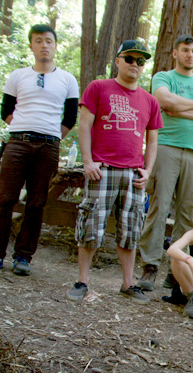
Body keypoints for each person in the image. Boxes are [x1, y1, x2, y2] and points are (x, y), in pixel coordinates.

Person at [65, 40, 162, 304]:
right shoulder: (98, 88)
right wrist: (87, 161)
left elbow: (152, 140)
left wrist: (148, 170)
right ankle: (83, 280)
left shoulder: (150, 101)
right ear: (117, 60)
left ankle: (128, 283)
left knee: (130, 229)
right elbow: (84, 125)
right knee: (91, 225)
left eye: (141, 62)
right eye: (130, 59)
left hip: (133, 173)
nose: (135, 65)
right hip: (102, 169)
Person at [0, 24, 79, 275]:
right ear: (31, 45)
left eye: (48, 41)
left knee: (37, 202)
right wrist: (25, 130)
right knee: (5, 199)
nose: (44, 45)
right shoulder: (17, 76)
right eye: (38, 41)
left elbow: (70, 118)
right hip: (17, 144)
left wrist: (50, 135)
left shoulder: (67, 79)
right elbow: (6, 112)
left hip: (48, 147)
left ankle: (23, 257)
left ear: (55, 46)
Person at [137, 35, 193, 291]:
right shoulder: (164, 77)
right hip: (166, 148)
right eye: (185, 50)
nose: (190, 55)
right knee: (159, 208)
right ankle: (149, 267)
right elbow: (164, 101)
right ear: (175, 53)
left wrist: (181, 111)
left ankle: (176, 271)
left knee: (188, 214)